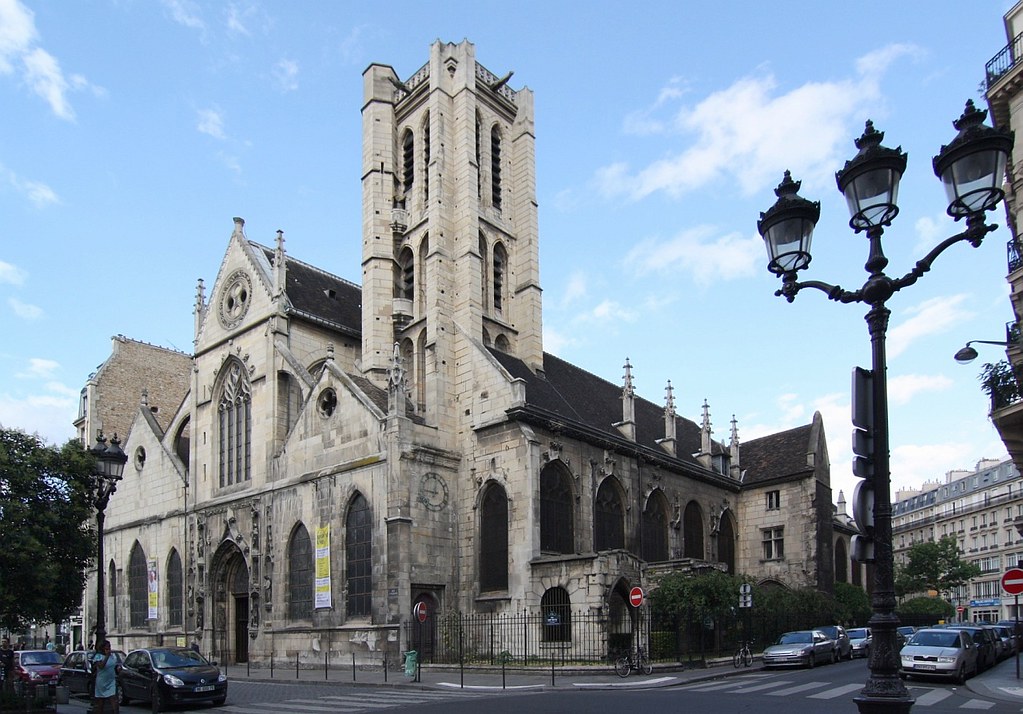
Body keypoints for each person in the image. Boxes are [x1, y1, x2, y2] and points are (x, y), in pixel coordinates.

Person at [90, 640, 119, 714]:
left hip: (111, 680)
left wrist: (118, 669)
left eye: (109, 647)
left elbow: (114, 666)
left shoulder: (112, 656)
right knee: (101, 702)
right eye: (107, 647)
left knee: (114, 699)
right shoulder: (98, 656)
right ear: (103, 648)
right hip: (102, 682)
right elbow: (101, 666)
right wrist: (106, 656)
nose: (109, 649)